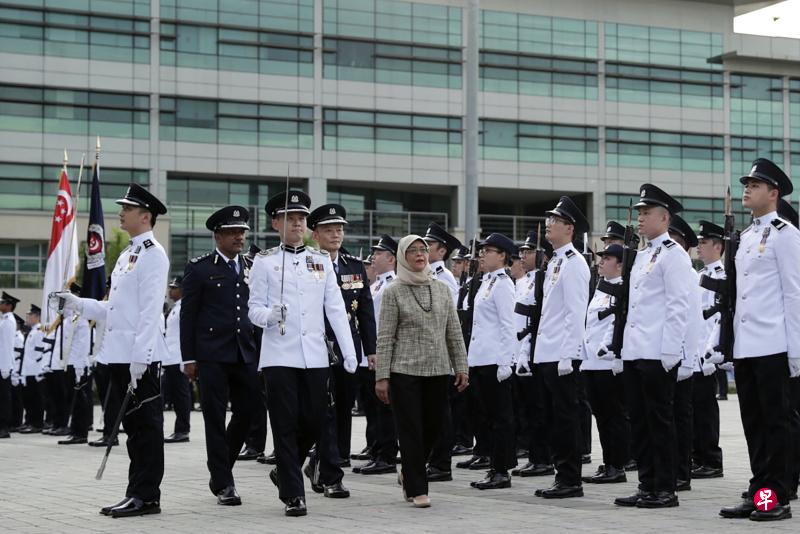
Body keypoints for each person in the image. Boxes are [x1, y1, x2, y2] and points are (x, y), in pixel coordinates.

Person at [56, 182, 169, 518]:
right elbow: (113, 309)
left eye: (128, 208)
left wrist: (141, 358)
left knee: (145, 428)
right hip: (118, 354)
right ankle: (136, 492)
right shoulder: (128, 253)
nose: (121, 212)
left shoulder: (153, 255)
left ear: (145, 216)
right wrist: (78, 303)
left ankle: (146, 496)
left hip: (138, 357)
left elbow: (150, 312)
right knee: (133, 430)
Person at [248, 190, 358, 517]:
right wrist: (269, 316)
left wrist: (349, 351)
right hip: (279, 354)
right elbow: (253, 310)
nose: (296, 224)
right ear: (275, 223)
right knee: (283, 423)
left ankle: (286, 470)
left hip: (314, 355)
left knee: (315, 420)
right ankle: (293, 494)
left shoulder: (320, 260)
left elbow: (336, 308)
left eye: (300, 219)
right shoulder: (264, 261)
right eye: (290, 219)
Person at [720, 159, 800, 522]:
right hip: (748, 346)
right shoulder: (747, 237)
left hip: (774, 344)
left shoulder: (787, 235)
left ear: (774, 192)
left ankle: (775, 498)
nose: (747, 189)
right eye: (746, 183)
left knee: (775, 422)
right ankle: (758, 491)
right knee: (753, 423)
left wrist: (796, 351)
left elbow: (794, 295)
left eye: (756, 184)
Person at [375, 234, 469, 508]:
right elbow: (385, 336)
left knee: (435, 427)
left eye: (423, 250)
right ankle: (417, 487)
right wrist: (382, 376)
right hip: (404, 371)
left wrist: (461, 365)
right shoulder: (393, 291)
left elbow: (454, 330)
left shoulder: (441, 289)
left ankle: (408, 471)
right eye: (412, 251)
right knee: (410, 429)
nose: (419, 255)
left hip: (438, 369)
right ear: (403, 257)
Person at [614, 184, 692, 510]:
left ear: (664, 217)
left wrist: (671, 351)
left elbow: (678, 305)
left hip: (657, 353)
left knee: (660, 422)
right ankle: (646, 484)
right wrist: (624, 350)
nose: (641, 218)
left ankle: (665, 487)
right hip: (635, 350)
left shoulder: (674, 255)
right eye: (640, 213)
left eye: (647, 213)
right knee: (640, 422)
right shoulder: (643, 255)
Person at [179, 205, 260, 506]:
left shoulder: (253, 265)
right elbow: (188, 316)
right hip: (212, 354)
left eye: (242, 232)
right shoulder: (200, 268)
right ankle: (225, 483)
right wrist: (188, 357)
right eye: (233, 232)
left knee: (248, 411)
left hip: (246, 352)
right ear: (218, 235)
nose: (239, 237)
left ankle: (219, 468)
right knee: (214, 418)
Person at [307, 203, 376, 487]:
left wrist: (371, 351)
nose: (336, 235)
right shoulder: (307, 263)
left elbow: (366, 312)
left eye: (339, 229)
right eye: (329, 230)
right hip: (316, 346)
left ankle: (333, 460)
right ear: (315, 234)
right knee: (322, 409)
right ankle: (327, 466)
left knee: (344, 405)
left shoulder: (354, 266)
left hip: (349, 348)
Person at [532, 197, 590, 499]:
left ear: (569, 228)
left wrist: (569, 354)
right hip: (548, 352)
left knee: (566, 418)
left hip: (562, 355)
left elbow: (575, 311)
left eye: (554, 220)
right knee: (554, 419)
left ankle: (571, 479)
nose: (548, 224)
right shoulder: (555, 261)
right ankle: (561, 474)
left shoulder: (574, 263)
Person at [467, 233, 517, 490]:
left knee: (501, 418)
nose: (482, 255)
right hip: (480, 358)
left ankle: (502, 470)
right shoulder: (486, 282)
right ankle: (493, 466)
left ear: (502, 256)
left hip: (495, 360)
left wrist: (507, 361)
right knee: (486, 416)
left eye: (489, 251)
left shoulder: (503, 284)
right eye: (482, 250)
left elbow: (509, 325)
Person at [580, 244, 629, 484]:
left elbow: (617, 323)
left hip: (608, 363)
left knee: (614, 416)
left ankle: (617, 465)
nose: (601, 262)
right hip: (591, 362)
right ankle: (608, 462)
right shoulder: (600, 288)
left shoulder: (623, 289)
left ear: (620, 264)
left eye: (607, 258)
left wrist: (611, 350)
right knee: (601, 416)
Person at [353, 235, 400, 475]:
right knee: (372, 408)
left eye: (379, 253)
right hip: (369, 354)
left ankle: (387, 455)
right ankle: (375, 449)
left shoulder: (393, 284)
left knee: (384, 408)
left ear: (391, 258)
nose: (373, 257)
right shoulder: (377, 284)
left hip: (383, 354)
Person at [512, 229, 554, 478]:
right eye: (523, 251)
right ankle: (534, 455)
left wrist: (527, 351)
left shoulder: (542, 279)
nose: (523, 255)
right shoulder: (523, 280)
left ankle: (544, 458)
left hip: (533, 349)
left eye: (529, 251)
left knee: (540, 410)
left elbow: (535, 320)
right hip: (519, 350)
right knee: (526, 409)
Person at [667, 214, 702, 492]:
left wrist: (689, 358)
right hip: (664, 355)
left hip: (681, 357)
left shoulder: (689, 273)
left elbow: (692, 320)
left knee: (680, 416)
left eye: (677, 240)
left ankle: (681, 472)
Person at [692, 220, 725, 480]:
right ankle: (698, 456)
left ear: (718, 246)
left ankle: (712, 460)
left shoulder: (722, 276)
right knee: (693, 408)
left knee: (705, 409)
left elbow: (718, 317)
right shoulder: (700, 275)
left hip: (707, 353)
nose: (699, 247)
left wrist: (712, 349)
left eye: (704, 243)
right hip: (694, 352)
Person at [58, 282, 93, 445]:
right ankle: (75, 430)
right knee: (74, 399)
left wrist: (79, 366)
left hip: (79, 364)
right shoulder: (70, 318)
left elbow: (83, 343)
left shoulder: (80, 318)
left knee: (81, 400)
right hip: (71, 363)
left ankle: (81, 433)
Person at [162, 276, 191, 444]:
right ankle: (178, 429)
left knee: (181, 396)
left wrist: (186, 359)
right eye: (171, 287)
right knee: (172, 395)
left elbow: (186, 335)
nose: (171, 290)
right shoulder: (175, 308)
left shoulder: (184, 308)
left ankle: (183, 430)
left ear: (182, 290)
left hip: (179, 358)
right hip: (170, 358)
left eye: (174, 288)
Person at [19, 305, 45, 433]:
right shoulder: (33, 331)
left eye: (29, 316)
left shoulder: (40, 330)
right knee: (28, 399)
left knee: (36, 399)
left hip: (35, 371)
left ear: (37, 317)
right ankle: (29, 421)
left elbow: (40, 352)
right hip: (28, 370)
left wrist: (39, 370)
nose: (27, 319)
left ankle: (37, 423)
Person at [423, 222, 461, 303]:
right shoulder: (425, 272)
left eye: (429, 244)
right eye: (424, 244)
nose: (424, 248)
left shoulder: (443, 275)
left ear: (442, 251)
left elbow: (449, 307)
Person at [0, 291, 20, 438]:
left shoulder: (8, 321)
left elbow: (6, 346)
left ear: (9, 305)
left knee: (4, 398)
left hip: (3, 366)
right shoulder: (4, 320)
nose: (0, 305)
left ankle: (4, 427)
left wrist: (5, 367)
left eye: (2, 303)